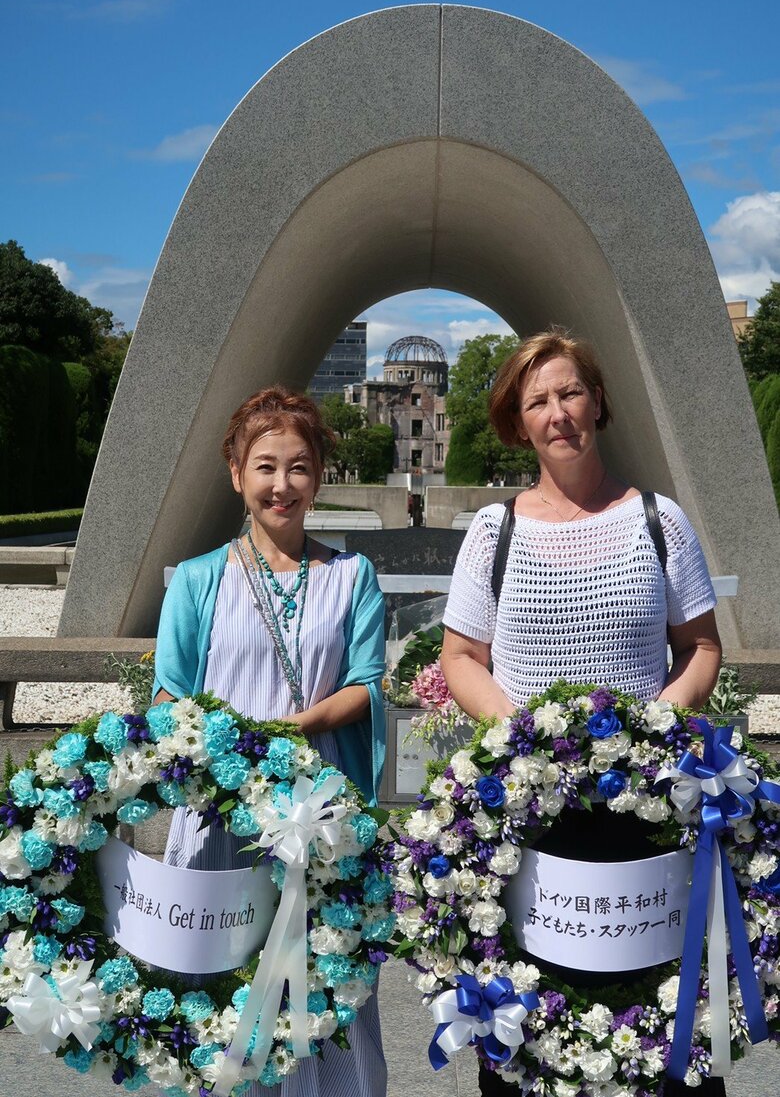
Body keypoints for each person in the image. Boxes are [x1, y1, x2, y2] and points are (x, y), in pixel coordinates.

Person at [440, 329, 723, 1097]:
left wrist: (653, 729)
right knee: (533, 1029)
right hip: (528, 821)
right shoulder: (493, 532)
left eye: (570, 392)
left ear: (598, 401)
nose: (558, 412)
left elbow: (700, 645)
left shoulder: (659, 520)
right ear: (518, 421)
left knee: (658, 1019)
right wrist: (521, 735)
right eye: (538, 401)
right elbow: (460, 655)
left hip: (646, 811)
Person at [153, 386, 387, 1097]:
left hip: (313, 823)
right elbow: (168, 694)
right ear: (235, 472)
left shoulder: (351, 575)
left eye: (297, 467)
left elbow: (367, 683)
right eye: (264, 466)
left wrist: (296, 730)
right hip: (218, 823)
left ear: (318, 477)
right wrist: (229, 754)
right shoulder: (197, 579)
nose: (281, 485)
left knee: (321, 991)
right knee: (219, 989)